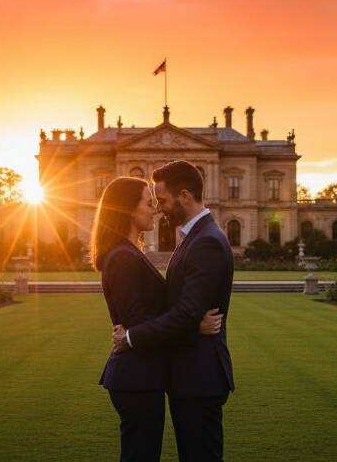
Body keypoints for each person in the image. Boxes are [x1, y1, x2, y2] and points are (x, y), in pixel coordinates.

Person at [93, 176, 222, 462]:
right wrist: (194, 327)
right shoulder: (122, 257)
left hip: (142, 375)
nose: (156, 210)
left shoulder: (128, 253)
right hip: (135, 376)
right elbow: (138, 321)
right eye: (149, 203)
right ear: (128, 209)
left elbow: (145, 317)